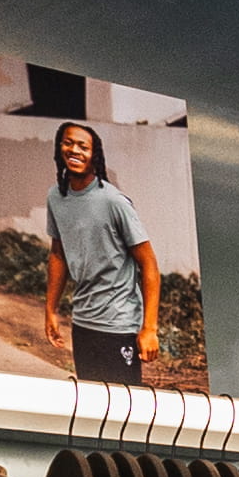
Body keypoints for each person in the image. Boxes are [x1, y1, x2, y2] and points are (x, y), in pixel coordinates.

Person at [45, 118, 160, 388]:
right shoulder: (56, 198)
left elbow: (149, 265)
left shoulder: (113, 201)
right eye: (68, 143)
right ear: (60, 149)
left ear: (94, 155)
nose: (74, 150)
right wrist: (51, 309)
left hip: (118, 324)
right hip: (83, 321)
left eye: (82, 146)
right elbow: (58, 255)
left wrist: (149, 329)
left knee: (126, 407)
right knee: (93, 404)